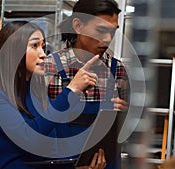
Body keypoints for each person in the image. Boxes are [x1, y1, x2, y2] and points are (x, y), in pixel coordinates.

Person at [0, 21, 107, 169]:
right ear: (13, 50)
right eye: (34, 46)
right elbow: (29, 138)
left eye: (43, 46)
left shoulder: (38, 94)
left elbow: (50, 150)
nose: (43, 54)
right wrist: (71, 90)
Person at [44, 0, 130, 168]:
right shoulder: (49, 67)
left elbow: (128, 132)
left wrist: (126, 116)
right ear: (78, 26)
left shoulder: (118, 69)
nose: (107, 39)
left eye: (112, 32)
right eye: (101, 30)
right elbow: (37, 127)